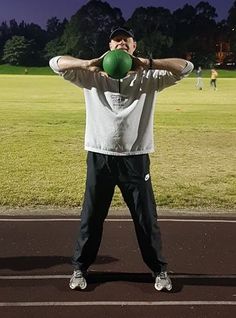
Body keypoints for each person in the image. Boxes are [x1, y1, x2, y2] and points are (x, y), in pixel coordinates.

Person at [49, 26, 194, 291]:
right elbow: (55, 63)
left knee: (146, 218)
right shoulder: (91, 77)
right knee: (91, 217)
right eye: (117, 40)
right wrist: (89, 63)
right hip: (100, 155)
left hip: (135, 158)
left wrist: (148, 64)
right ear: (109, 46)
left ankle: (160, 271)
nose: (121, 43)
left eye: (126, 40)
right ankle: (80, 269)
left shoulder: (149, 78)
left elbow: (186, 67)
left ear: (134, 46)